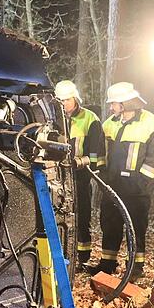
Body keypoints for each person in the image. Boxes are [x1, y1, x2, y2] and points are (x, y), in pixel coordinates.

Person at [90, 82, 154, 280]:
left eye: (114, 104)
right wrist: (102, 175)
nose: (111, 108)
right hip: (112, 187)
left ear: (124, 104)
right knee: (110, 225)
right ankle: (107, 264)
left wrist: (141, 182)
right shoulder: (110, 124)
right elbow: (101, 153)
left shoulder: (151, 124)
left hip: (137, 191)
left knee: (136, 228)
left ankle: (135, 268)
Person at [55, 80, 106, 268]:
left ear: (75, 98)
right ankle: (62, 255)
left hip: (80, 177)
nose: (64, 104)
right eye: (60, 101)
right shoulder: (53, 118)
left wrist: (81, 161)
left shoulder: (89, 119)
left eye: (67, 100)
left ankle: (82, 257)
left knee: (81, 215)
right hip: (58, 176)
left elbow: (96, 154)